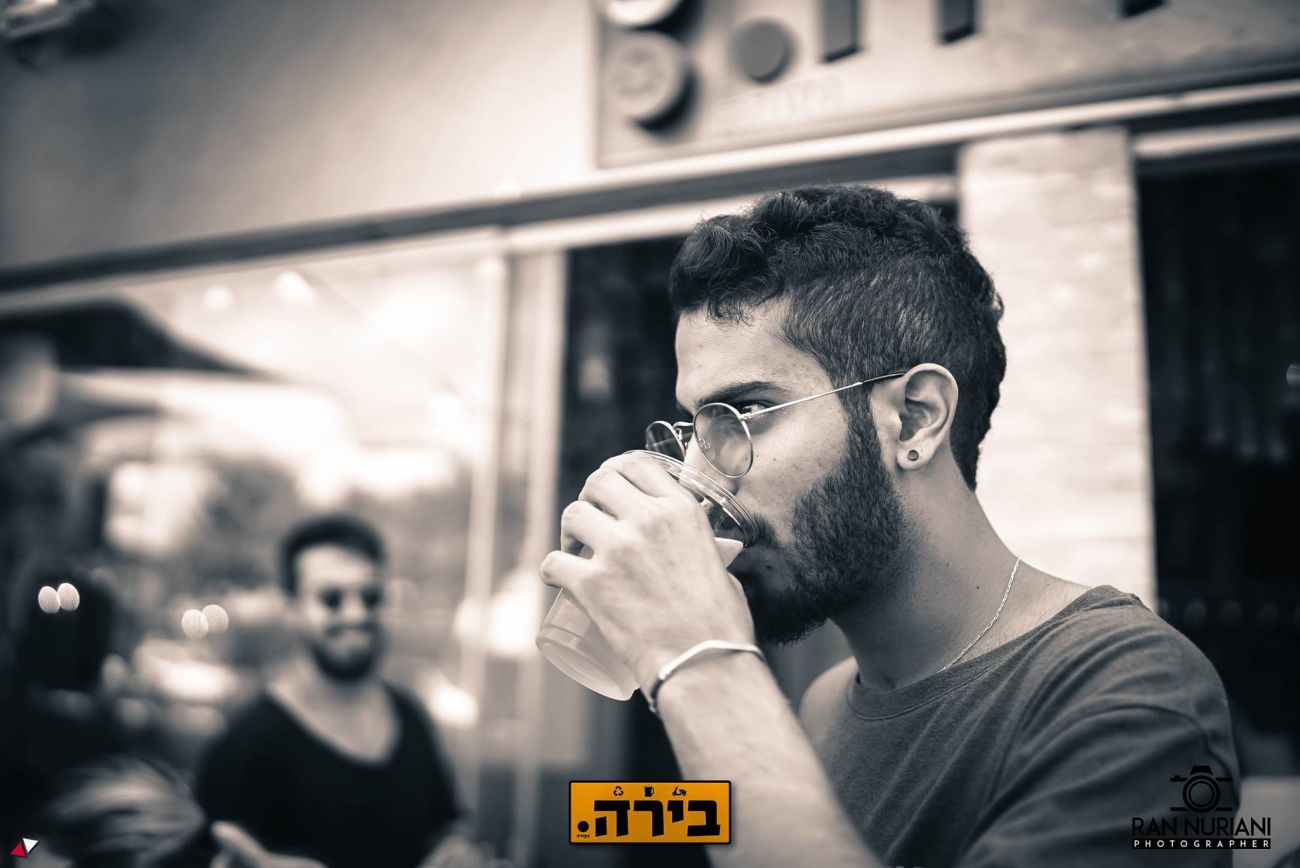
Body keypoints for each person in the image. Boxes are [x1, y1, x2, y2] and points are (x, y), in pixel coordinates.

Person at [540, 186, 1238, 867]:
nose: (700, 471)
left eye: (743, 414)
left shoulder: (1129, 690)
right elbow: (650, 819)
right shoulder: (825, 705)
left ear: (913, 419)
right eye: (695, 426)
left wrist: (697, 658)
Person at [195, 515, 479, 868]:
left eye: (370, 596)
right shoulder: (248, 741)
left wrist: (455, 849)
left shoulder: (410, 716)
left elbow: (445, 827)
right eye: (331, 598)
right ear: (292, 610)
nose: (356, 613)